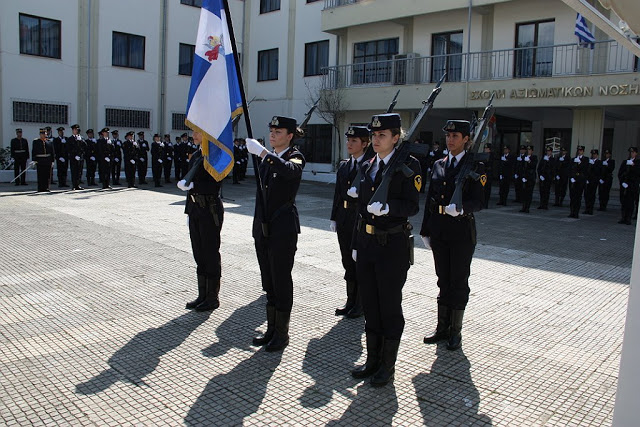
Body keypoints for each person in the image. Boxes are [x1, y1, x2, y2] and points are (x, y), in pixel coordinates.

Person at [348, 113, 421, 387]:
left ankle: (387, 367)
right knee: (371, 305)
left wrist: (390, 208)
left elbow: (413, 205)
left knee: (389, 307)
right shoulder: (368, 166)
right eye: (374, 136)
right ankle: (372, 361)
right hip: (367, 246)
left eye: (382, 136)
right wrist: (356, 245)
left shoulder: (409, 167)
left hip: (392, 246)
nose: (376, 140)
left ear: (395, 138)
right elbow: (360, 213)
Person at [421, 120, 485, 352]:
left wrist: (462, 208)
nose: (450, 140)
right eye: (448, 136)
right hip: (439, 230)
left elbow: (479, 201)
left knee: (458, 281)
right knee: (442, 279)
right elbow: (430, 199)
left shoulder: (475, 166)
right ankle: (442, 327)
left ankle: (455, 332)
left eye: (455, 136)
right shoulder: (438, 164)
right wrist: (425, 230)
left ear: (466, 138)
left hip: (460, 233)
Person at [246, 116, 306, 353]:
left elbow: (290, 172)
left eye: (278, 131)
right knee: (268, 281)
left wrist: (263, 154)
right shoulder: (268, 160)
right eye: (271, 130)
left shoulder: (295, 156)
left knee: (281, 280)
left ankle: (282, 333)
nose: (272, 135)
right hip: (263, 227)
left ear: (290, 135)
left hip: (283, 228)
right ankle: (271, 329)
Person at [178, 130, 224, 311]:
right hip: (196, 210)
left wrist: (195, 185)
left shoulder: (216, 155)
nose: (193, 135)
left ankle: (212, 298)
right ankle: (202, 295)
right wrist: (189, 211)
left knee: (210, 253)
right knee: (199, 253)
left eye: (197, 132)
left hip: (209, 209)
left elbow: (216, 183)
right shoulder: (197, 154)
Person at [330, 126, 370, 319]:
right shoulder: (345, 165)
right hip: (344, 217)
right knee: (347, 260)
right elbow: (338, 193)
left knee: (359, 262)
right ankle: (350, 300)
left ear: (365, 144)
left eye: (354, 141)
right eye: (348, 140)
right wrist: (333, 217)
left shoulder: (370, 165)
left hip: (359, 217)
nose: (349, 144)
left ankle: (360, 304)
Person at [618, 147, 640, 225]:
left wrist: (633, 166)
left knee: (630, 203)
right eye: (631, 152)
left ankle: (628, 219)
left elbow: (637, 174)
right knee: (623, 202)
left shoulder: (637, 163)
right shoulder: (625, 162)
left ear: (636, 153)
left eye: (633, 152)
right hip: (624, 185)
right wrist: (622, 182)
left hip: (632, 186)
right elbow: (620, 173)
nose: (631, 154)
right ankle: (623, 217)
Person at [568, 145, 589, 218]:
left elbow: (585, 169)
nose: (579, 152)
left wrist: (580, 163)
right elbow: (570, 169)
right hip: (573, 181)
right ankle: (572, 212)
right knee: (572, 197)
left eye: (580, 150)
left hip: (580, 181)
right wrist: (571, 177)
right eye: (578, 150)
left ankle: (576, 213)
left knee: (578, 197)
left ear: (583, 151)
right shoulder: (573, 159)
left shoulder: (586, 159)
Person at [32, 128, 54, 192]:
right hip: (40, 160)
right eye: (42, 134)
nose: (44, 135)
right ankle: (40, 187)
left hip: (47, 160)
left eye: (45, 133)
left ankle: (46, 187)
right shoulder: (36, 141)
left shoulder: (49, 142)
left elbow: (52, 152)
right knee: (40, 174)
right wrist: (34, 159)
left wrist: (52, 161)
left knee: (47, 175)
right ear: (40, 134)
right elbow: (34, 151)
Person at [583, 149, 602, 215]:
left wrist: (593, 165)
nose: (593, 155)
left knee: (592, 195)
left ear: (597, 155)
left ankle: (590, 209)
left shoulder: (599, 162)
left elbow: (598, 171)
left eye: (594, 154)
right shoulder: (589, 161)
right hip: (588, 180)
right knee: (586, 195)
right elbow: (586, 170)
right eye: (592, 154)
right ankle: (587, 208)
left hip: (594, 181)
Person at [520, 145, 538, 213]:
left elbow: (533, 166)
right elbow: (522, 167)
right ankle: (523, 207)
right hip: (525, 177)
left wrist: (529, 161)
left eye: (530, 150)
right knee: (524, 193)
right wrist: (522, 176)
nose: (528, 151)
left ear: (532, 151)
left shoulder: (534, 157)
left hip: (530, 178)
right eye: (528, 150)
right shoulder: (524, 157)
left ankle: (527, 207)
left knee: (529, 193)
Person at [68, 124, 85, 190]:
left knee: (79, 172)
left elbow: (84, 147)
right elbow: (69, 149)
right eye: (75, 130)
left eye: (77, 129)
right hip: (73, 158)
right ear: (73, 131)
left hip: (80, 158)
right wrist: (74, 156)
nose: (76, 131)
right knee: (74, 171)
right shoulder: (70, 139)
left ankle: (78, 185)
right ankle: (74, 185)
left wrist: (81, 140)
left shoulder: (81, 138)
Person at [482, 143, 496, 208]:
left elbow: (491, 165)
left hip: (488, 173)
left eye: (487, 149)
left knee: (487, 189)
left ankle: (486, 203)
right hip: (483, 174)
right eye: (485, 148)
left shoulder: (491, 156)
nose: (486, 150)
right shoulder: (483, 155)